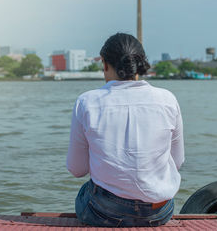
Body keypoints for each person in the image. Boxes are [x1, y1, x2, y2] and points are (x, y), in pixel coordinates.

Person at [66, 33, 184, 227]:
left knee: (84, 192)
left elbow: (76, 169)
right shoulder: (167, 100)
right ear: (140, 63)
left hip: (105, 212)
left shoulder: (87, 102)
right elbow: (177, 162)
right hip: (158, 212)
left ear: (104, 64)